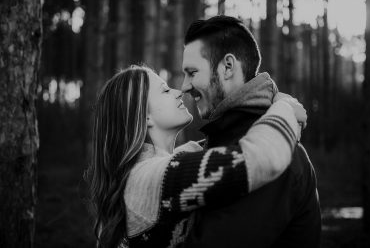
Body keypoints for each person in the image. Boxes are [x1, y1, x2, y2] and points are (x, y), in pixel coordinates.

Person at [85, 65, 306, 248]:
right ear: (145, 117)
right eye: (164, 90)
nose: (178, 91)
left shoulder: (146, 174)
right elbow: (261, 157)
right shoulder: (147, 179)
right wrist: (284, 107)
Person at [181, 15, 321, 248]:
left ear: (227, 67)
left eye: (192, 72)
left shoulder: (275, 156)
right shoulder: (222, 141)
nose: (184, 86)